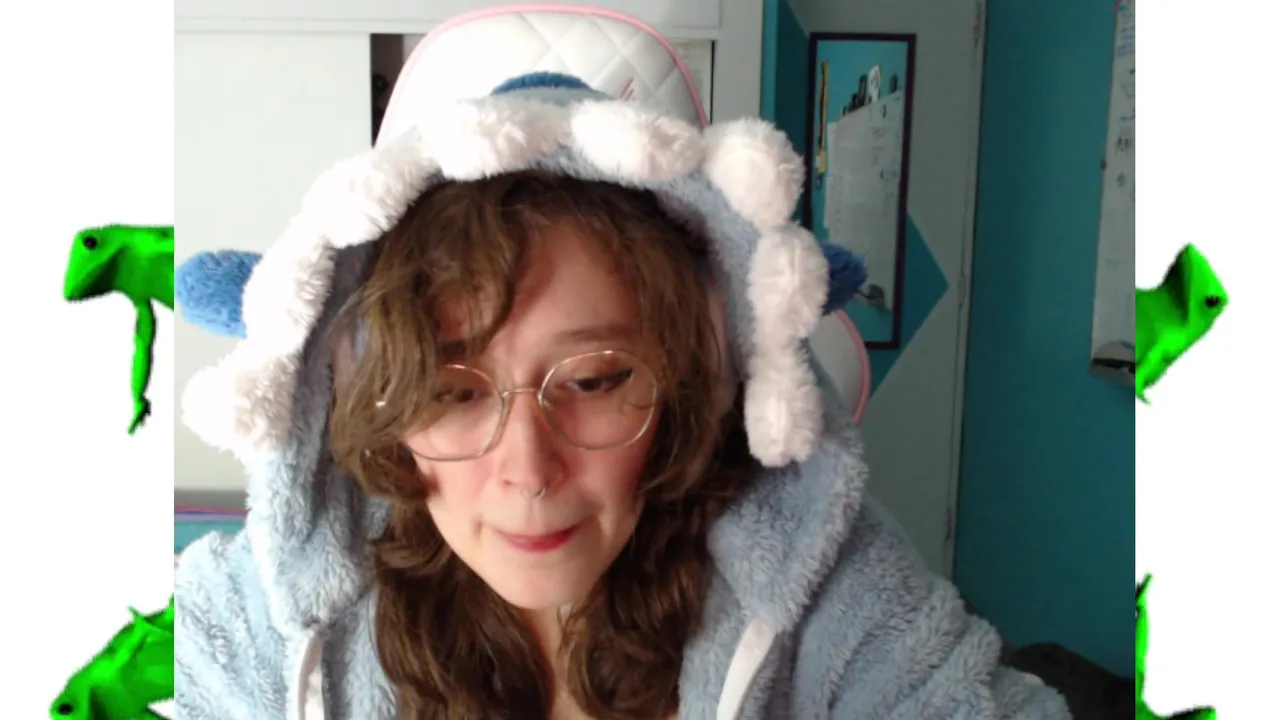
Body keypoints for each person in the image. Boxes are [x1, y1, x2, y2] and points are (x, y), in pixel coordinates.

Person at [174, 62, 1069, 720]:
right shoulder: (259, 616)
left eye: (594, 379)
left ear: (688, 377)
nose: (529, 472)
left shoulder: (820, 583)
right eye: (451, 394)